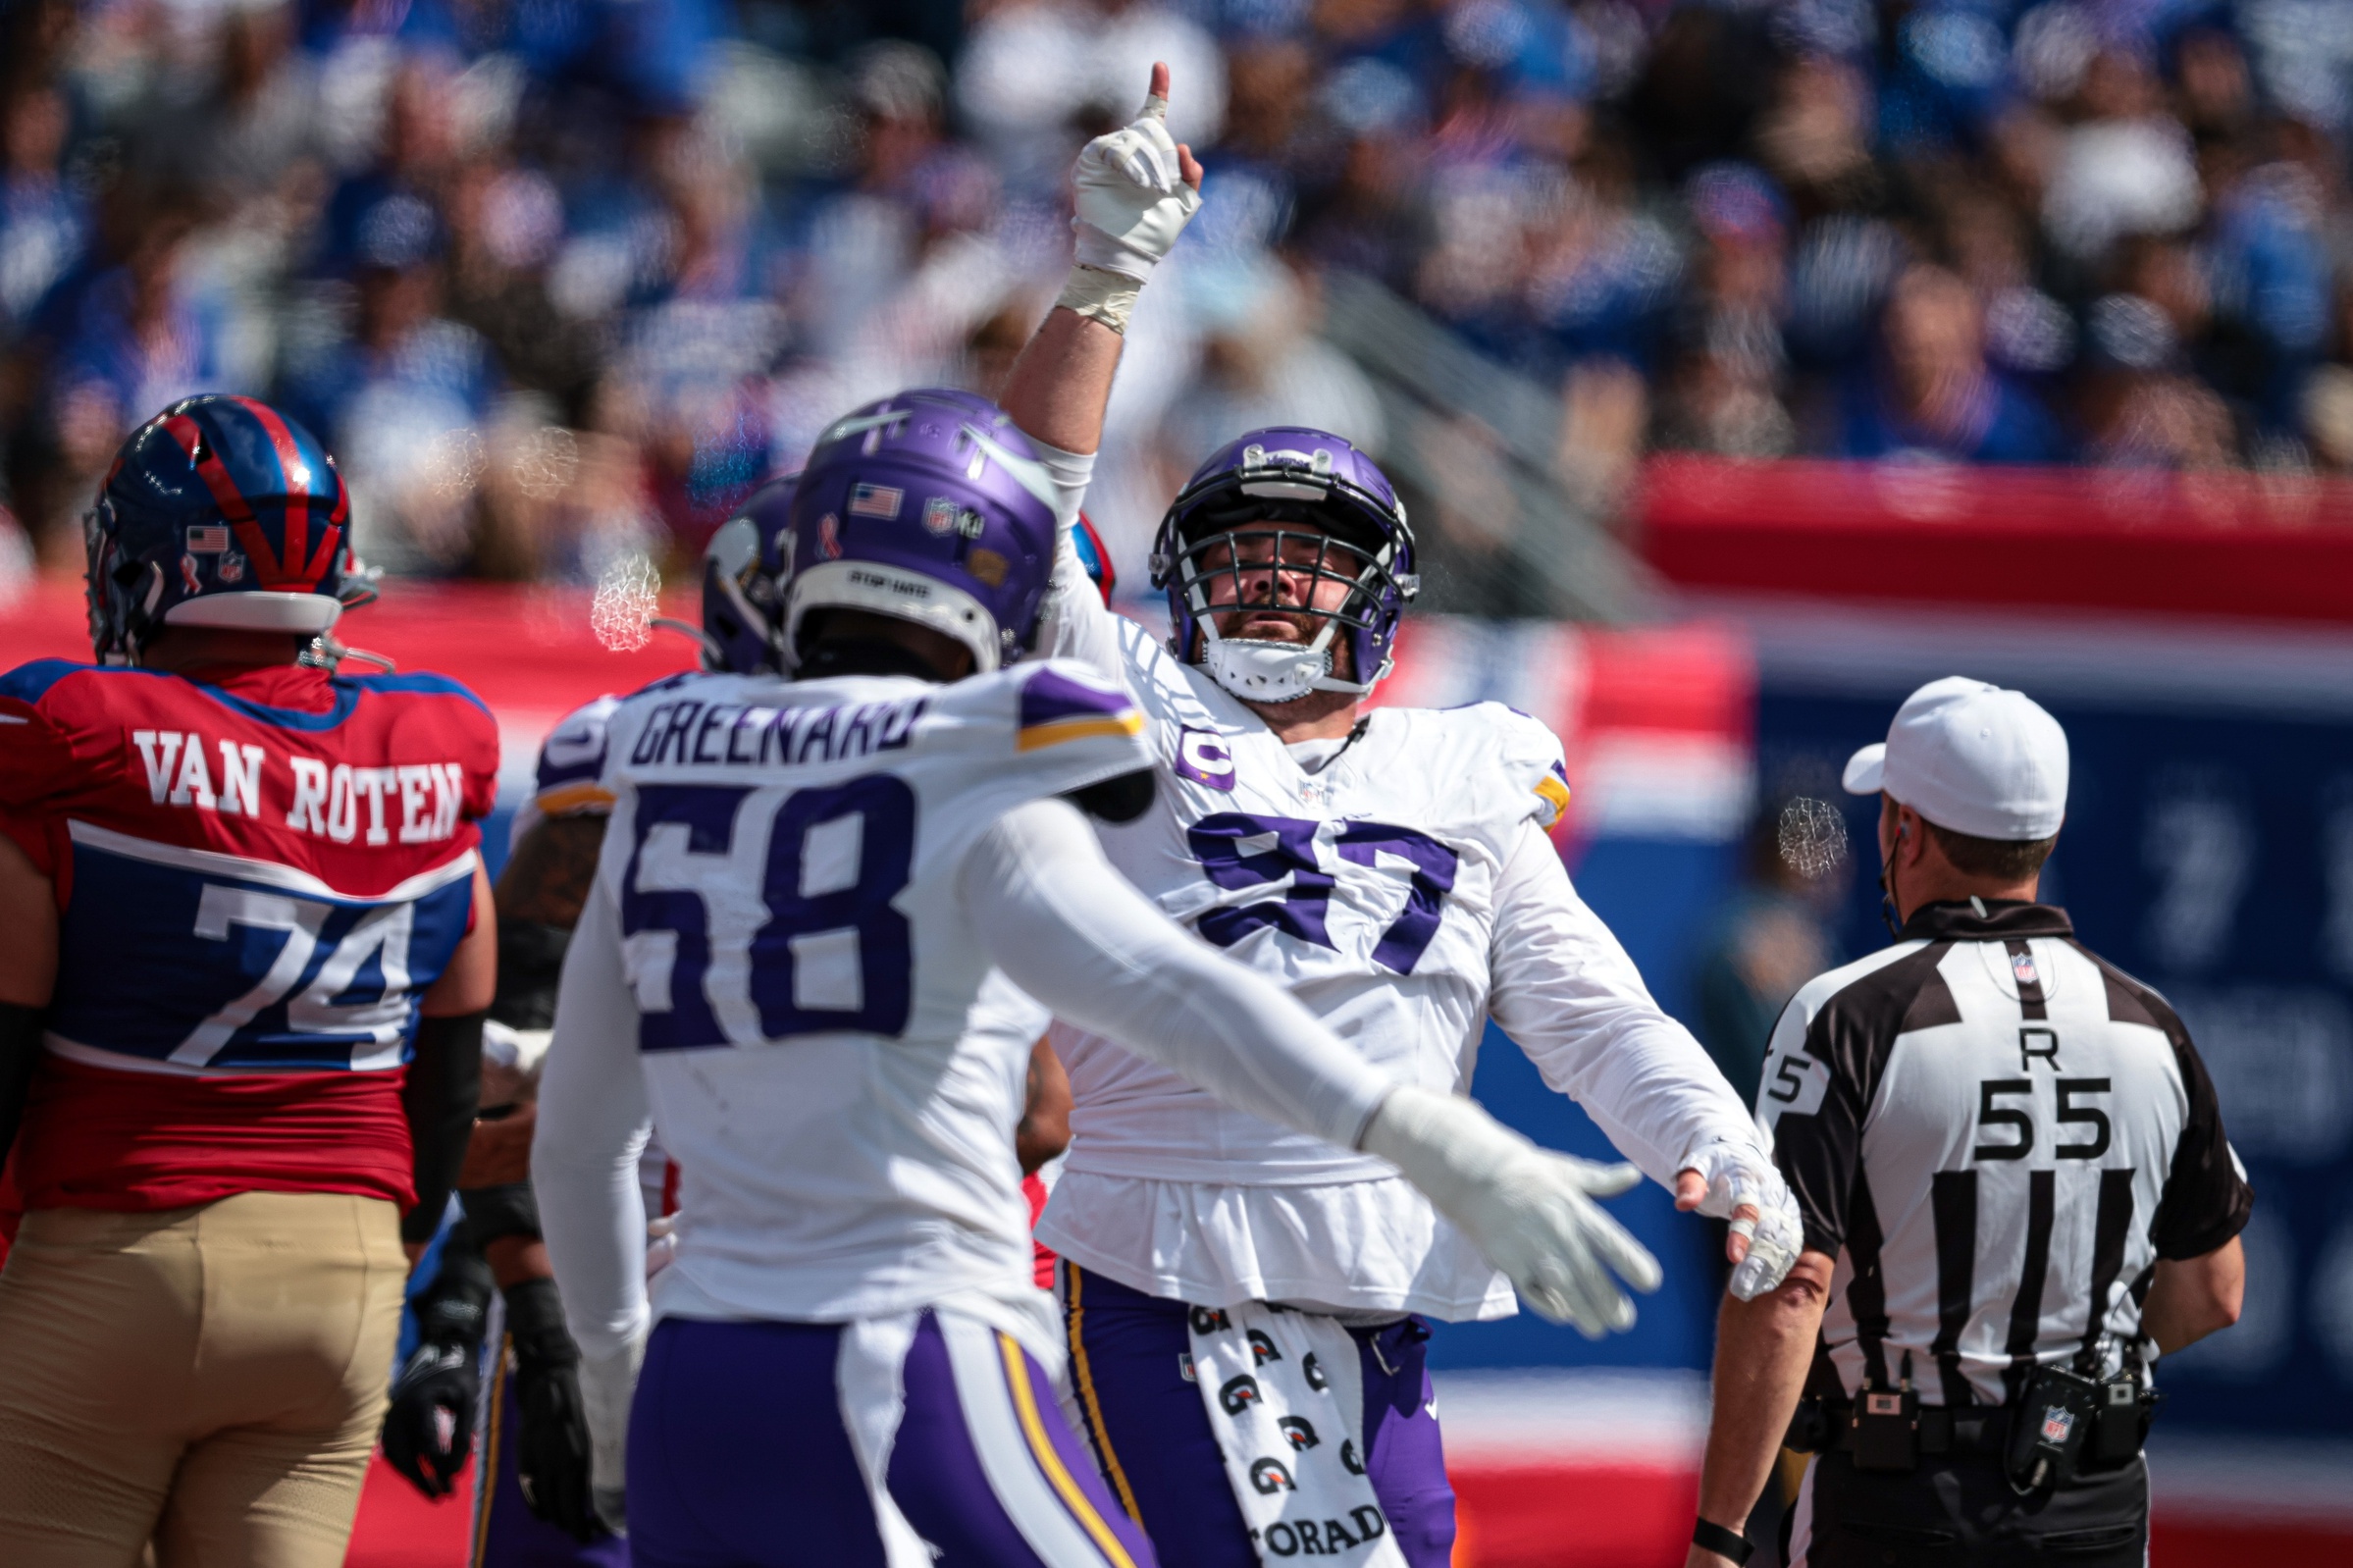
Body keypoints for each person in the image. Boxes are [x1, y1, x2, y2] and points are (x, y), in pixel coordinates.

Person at [531, 389, 1687, 1566]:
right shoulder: (981, 775)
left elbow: (570, 1140)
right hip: (910, 1332)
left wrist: (612, 1368)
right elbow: (1179, 1001)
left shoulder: (644, 769)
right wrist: (1431, 1137)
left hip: (696, 1351)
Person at [993, 65, 1804, 1566]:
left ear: (1377, 591)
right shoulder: (1127, 702)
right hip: (1164, 1251)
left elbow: (1586, 1011)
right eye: (1239, 555)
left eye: (1309, 557)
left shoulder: (1465, 767)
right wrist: (1105, 277)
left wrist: (1716, 1137)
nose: (1271, 582)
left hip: (1378, 1281)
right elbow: (1019, 513)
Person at [0, 393, 499, 1566]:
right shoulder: (434, 749)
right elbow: (453, 1072)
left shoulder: (75, 739)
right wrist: (389, 1257)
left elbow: (5, 1038)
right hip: (343, 1279)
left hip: (114, 1253)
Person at [1685, 678, 2252, 1568]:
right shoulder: (2151, 1024)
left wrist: (1718, 1540)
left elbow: (1792, 1287)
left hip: (1897, 1503)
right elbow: (2216, 1290)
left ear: (1904, 830)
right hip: (2093, 1503)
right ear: (2047, 835)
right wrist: (2058, 1382)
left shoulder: (1847, 1011)